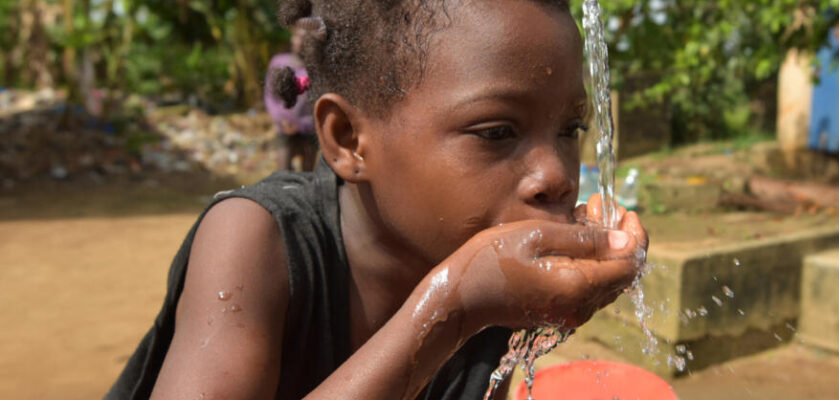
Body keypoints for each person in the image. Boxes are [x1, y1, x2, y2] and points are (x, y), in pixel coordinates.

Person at [106, 0, 648, 399]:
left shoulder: (491, 275)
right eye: (496, 132)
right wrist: (450, 310)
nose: (555, 176)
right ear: (347, 139)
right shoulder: (253, 239)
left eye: (570, 128)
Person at [265, 29, 318, 172]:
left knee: (308, 175)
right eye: (296, 36)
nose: (299, 41)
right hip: (284, 128)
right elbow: (269, 96)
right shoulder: (278, 63)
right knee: (283, 173)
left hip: (309, 130)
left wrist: (302, 125)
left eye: (304, 38)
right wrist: (280, 119)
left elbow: (319, 103)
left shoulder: (316, 68)